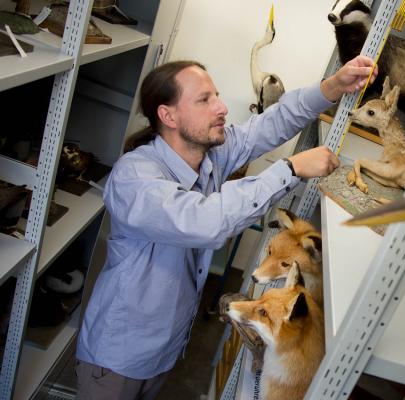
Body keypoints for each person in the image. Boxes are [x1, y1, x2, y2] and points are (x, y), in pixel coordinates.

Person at [75, 55, 377, 399]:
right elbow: (204, 221)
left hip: (163, 351)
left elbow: (272, 123)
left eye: (216, 95)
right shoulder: (135, 177)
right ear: (167, 115)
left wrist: (332, 87)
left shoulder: (208, 156)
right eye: (205, 100)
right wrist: (289, 169)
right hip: (117, 358)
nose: (221, 107)